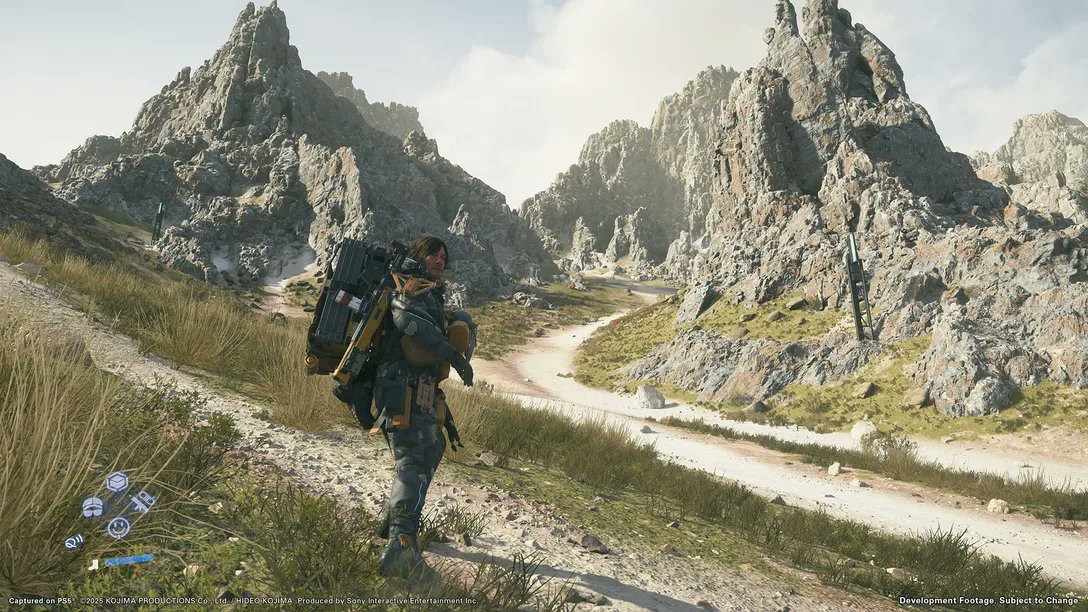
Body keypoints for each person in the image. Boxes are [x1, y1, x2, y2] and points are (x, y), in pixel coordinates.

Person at [336, 235, 474, 584]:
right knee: (413, 457)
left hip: (418, 388)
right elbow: (405, 320)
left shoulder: (428, 291)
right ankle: (401, 548)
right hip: (401, 387)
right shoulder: (409, 285)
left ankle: (393, 526)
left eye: (444, 257)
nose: (440, 261)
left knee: (432, 448)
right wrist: (456, 358)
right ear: (418, 256)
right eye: (433, 254)